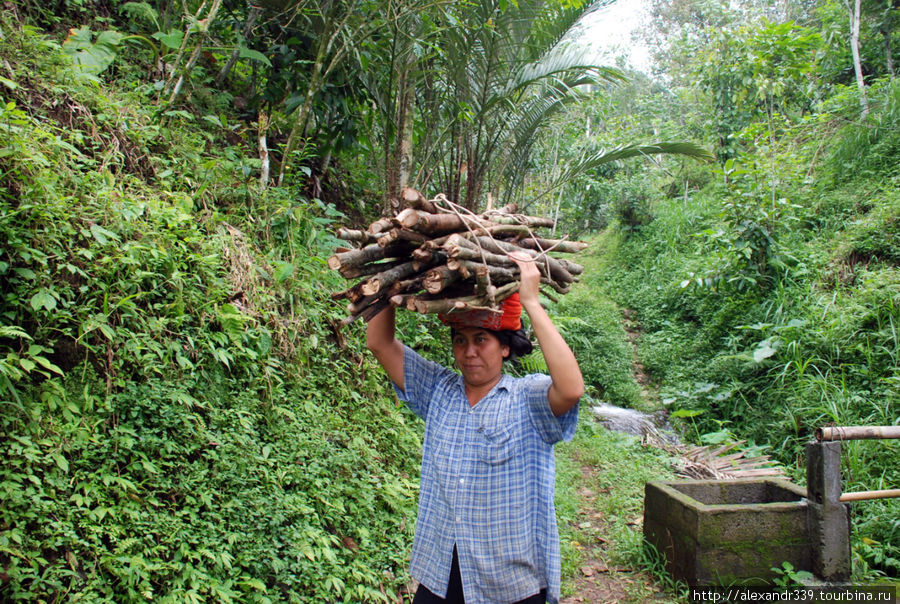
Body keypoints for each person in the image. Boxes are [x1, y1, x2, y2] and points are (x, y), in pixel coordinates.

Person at [366, 252, 585, 604]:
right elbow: (380, 344)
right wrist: (390, 282)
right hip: (439, 573)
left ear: (503, 348)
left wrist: (530, 301)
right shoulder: (438, 390)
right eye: (460, 340)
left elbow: (572, 388)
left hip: (507, 581)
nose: (469, 352)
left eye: (480, 339)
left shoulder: (526, 399)